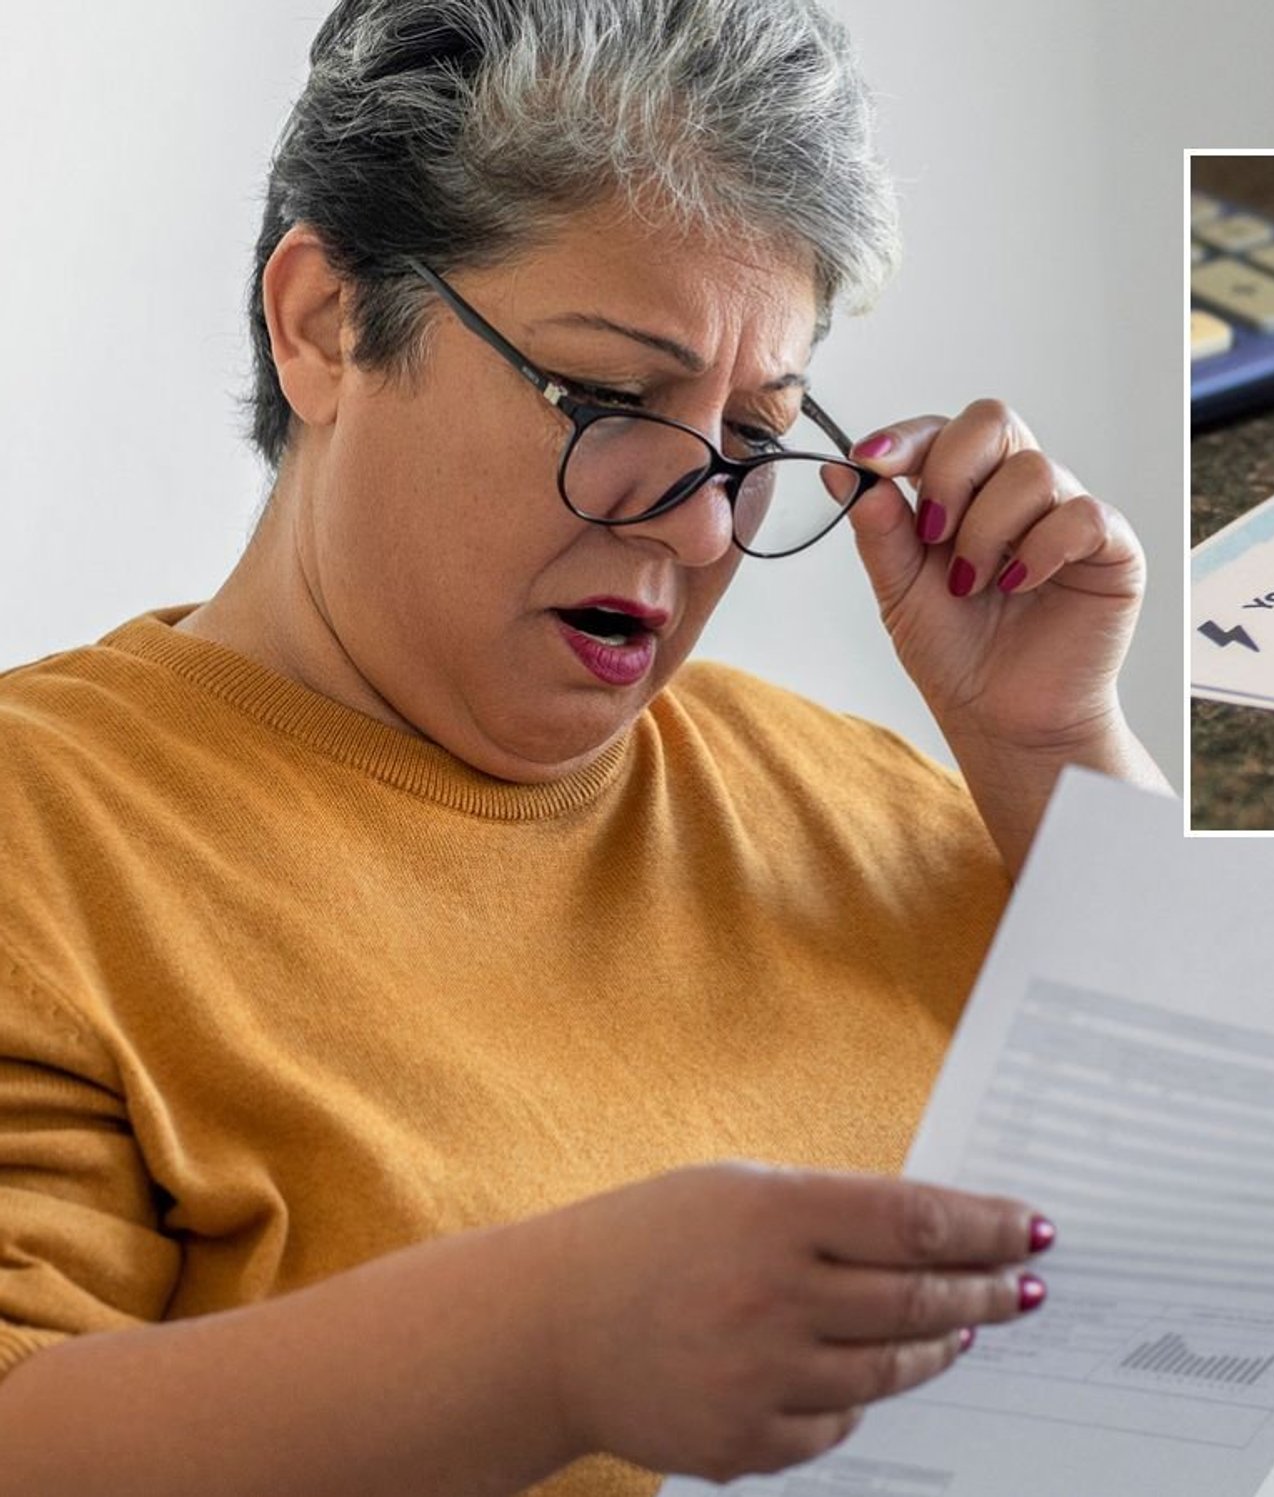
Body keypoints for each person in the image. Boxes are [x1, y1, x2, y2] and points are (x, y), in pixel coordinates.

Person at [0, 1, 1167, 1493]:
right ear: (326, 323)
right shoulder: (50, 828)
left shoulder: (875, 804)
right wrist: (552, 1347)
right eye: (612, 398)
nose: (696, 519)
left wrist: (1056, 747)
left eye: (755, 437)